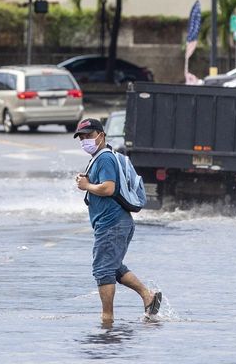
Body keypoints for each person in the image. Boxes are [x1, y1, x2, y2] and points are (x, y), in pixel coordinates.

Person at [73, 118, 161, 324]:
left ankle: (107, 318)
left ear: (101, 136)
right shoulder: (102, 157)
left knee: (103, 269)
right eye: (82, 137)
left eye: (89, 135)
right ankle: (148, 296)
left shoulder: (104, 158)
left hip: (112, 224)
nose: (85, 140)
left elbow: (108, 188)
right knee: (112, 266)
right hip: (117, 223)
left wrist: (86, 186)